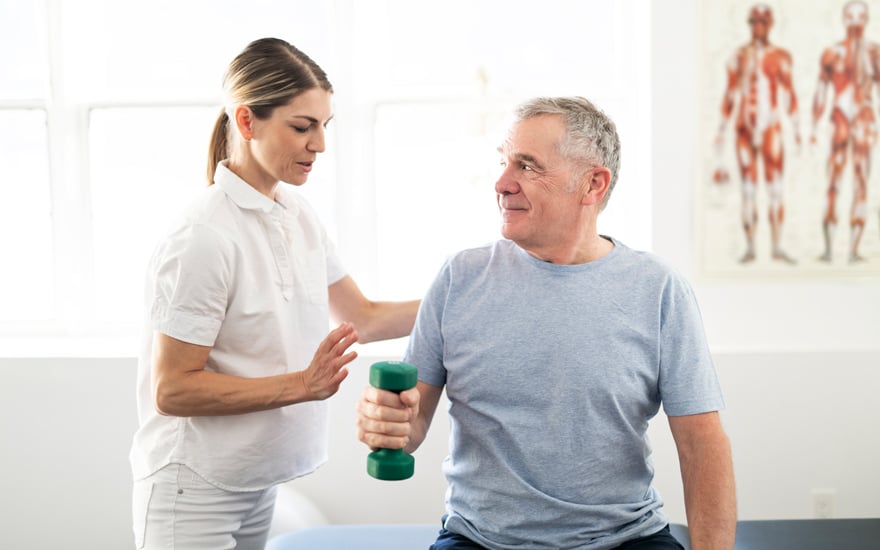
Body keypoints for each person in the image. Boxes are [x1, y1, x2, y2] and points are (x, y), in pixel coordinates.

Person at [357, 97, 736, 550]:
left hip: (624, 538)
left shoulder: (657, 289)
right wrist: (387, 424)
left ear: (592, 184)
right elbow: (410, 425)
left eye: (527, 166)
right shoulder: (459, 277)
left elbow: (701, 445)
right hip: (481, 540)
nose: (501, 183)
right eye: (503, 162)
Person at [129, 38, 419, 550]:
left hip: (253, 480)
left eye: (325, 126)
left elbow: (363, 318)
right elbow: (172, 389)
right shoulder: (203, 236)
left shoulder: (296, 214)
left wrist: (462, 298)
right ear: (246, 122)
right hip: (192, 490)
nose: (320, 145)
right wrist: (302, 384)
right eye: (302, 127)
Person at [713, 3, 801, 264]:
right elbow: (730, 94)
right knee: (749, 191)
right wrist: (720, 129)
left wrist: (796, 130)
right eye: (754, 22)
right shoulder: (738, 56)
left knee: (775, 190)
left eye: (762, 22)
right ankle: (751, 247)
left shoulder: (780, 57)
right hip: (744, 130)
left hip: (771, 129)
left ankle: (776, 246)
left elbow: (789, 94)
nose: (758, 27)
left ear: (770, 24)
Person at [811, 0, 880, 263]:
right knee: (833, 182)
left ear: (866, 19)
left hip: (864, 119)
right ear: (843, 18)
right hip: (839, 118)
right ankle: (829, 249)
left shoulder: (874, 53)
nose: (855, 21)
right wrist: (815, 126)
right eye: (850, 16)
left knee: (861, 181)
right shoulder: (832, 53)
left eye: (860, 16)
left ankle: (853, 249)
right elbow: (820, 91)